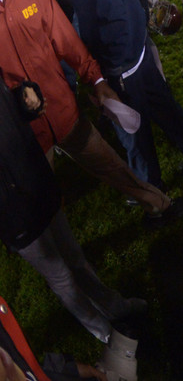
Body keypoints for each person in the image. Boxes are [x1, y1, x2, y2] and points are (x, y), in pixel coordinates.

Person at [0, 0, 183, 225]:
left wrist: (96, 79)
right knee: (39, 209)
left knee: (113, 166)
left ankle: (159, 204)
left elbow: (65, 38)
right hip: (19, 126)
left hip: (61, 107)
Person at [0, 66, 146, 351]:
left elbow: (12, 113)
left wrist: (26, 98)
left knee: (75, 258)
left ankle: (114, 307)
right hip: (11, 213)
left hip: (36, 182)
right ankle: (103, 332)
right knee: (61, 276)